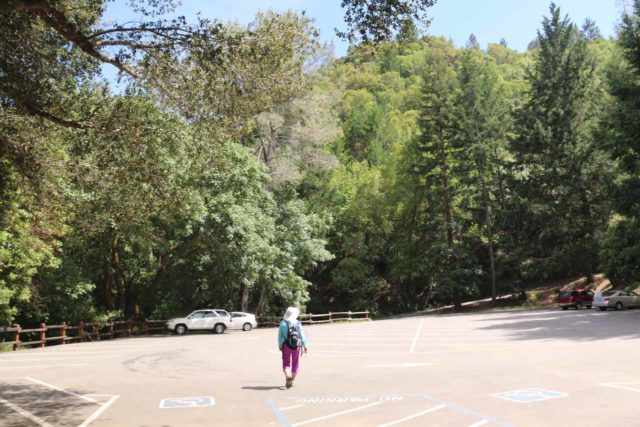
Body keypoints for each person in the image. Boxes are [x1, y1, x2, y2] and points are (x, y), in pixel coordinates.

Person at [278, 307, 308, 389]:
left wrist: (280, 345)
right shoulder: (298, 323)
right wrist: (305, 345)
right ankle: (292, 380)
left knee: (286, 363)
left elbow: (280, 336)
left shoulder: (283, 323)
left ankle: (288, 376)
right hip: (296, 345)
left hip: (286, 345)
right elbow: (302, 335)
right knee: (295, 363)